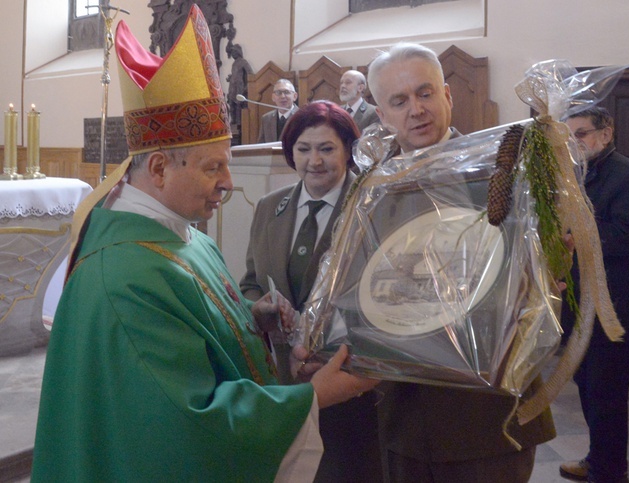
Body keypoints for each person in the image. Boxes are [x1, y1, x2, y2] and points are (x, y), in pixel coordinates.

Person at [31, 7, 376, 482]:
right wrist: (315, 395)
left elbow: (200, 327)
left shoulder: (185, 235)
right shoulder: (123, 278)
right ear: (157, 169)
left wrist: (252, 320)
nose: (228, 184)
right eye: (213, 167)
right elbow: (188, 426)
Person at [365, 42, 556, 483]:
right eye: (399, 101)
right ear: (382, 115)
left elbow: (548, 272)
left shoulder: (508, 170)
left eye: (425, 93)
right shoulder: (371, 190)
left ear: (448, 96)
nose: (416, 109)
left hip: (488, 420)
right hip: (405, 416)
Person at [240, 100, 383, 482]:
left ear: (348, 151)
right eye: (304, 149)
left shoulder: (371, 206)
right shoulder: (270, 207)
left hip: (351, 383)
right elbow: (251, 282)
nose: (314, 161)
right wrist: (260, 308)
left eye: (326, 148)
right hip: (288, 384)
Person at [558, 107, 629, 483]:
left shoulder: (627, 174)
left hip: (617, 305)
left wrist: (578, 238)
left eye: (581, 134)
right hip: (582, 301)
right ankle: (598, 457)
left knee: (607, 394)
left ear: (606, 133)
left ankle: (610, 473)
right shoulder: (576, 176)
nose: (574, 143)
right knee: (588, 387)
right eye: (569, 138)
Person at [258, 78, 298, 143]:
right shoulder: (266, 119)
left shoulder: (302, 117)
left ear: (295, 96)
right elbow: (261, 146)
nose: (282, 96)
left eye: (286, 92)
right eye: (278, 93)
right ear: (273, 97)